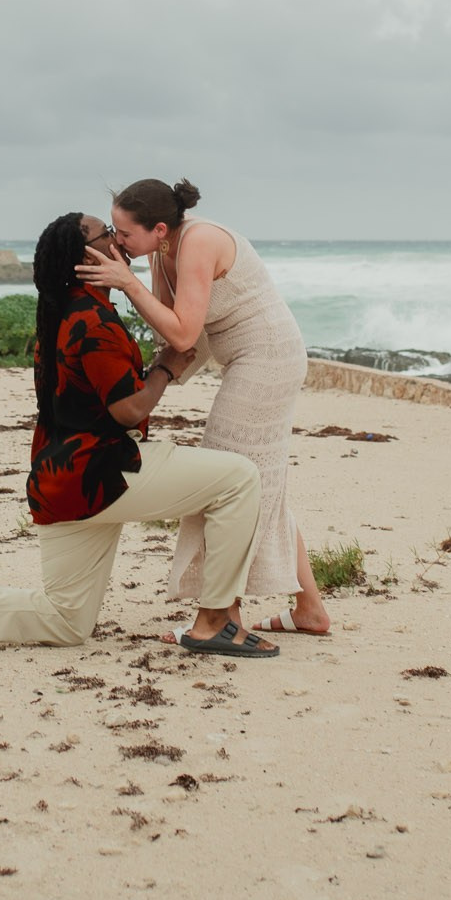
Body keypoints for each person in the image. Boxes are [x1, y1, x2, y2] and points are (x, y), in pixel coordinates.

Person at [0, 211, 278, 658]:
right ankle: (214, 620)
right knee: (239, 478)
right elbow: (127, 410)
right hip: (105, 474)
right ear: (87, 257)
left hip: (61, 483)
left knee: (66, 621)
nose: (118, 240)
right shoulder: (91, 320)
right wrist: (166, 370)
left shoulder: (61, 313)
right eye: (107, 234)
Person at [78, 177, 330, 637]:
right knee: (260, 481)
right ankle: (309, 608)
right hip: (244, 360)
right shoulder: (160, 249)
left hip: (267, 357)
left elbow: (184, 336)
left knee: (227, 479)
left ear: (158, 228)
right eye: (112, 231)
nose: (116, 241)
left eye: (123, 234)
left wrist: (127, 284)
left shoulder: (199, 242)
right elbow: (166, 327)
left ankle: (221, 617)